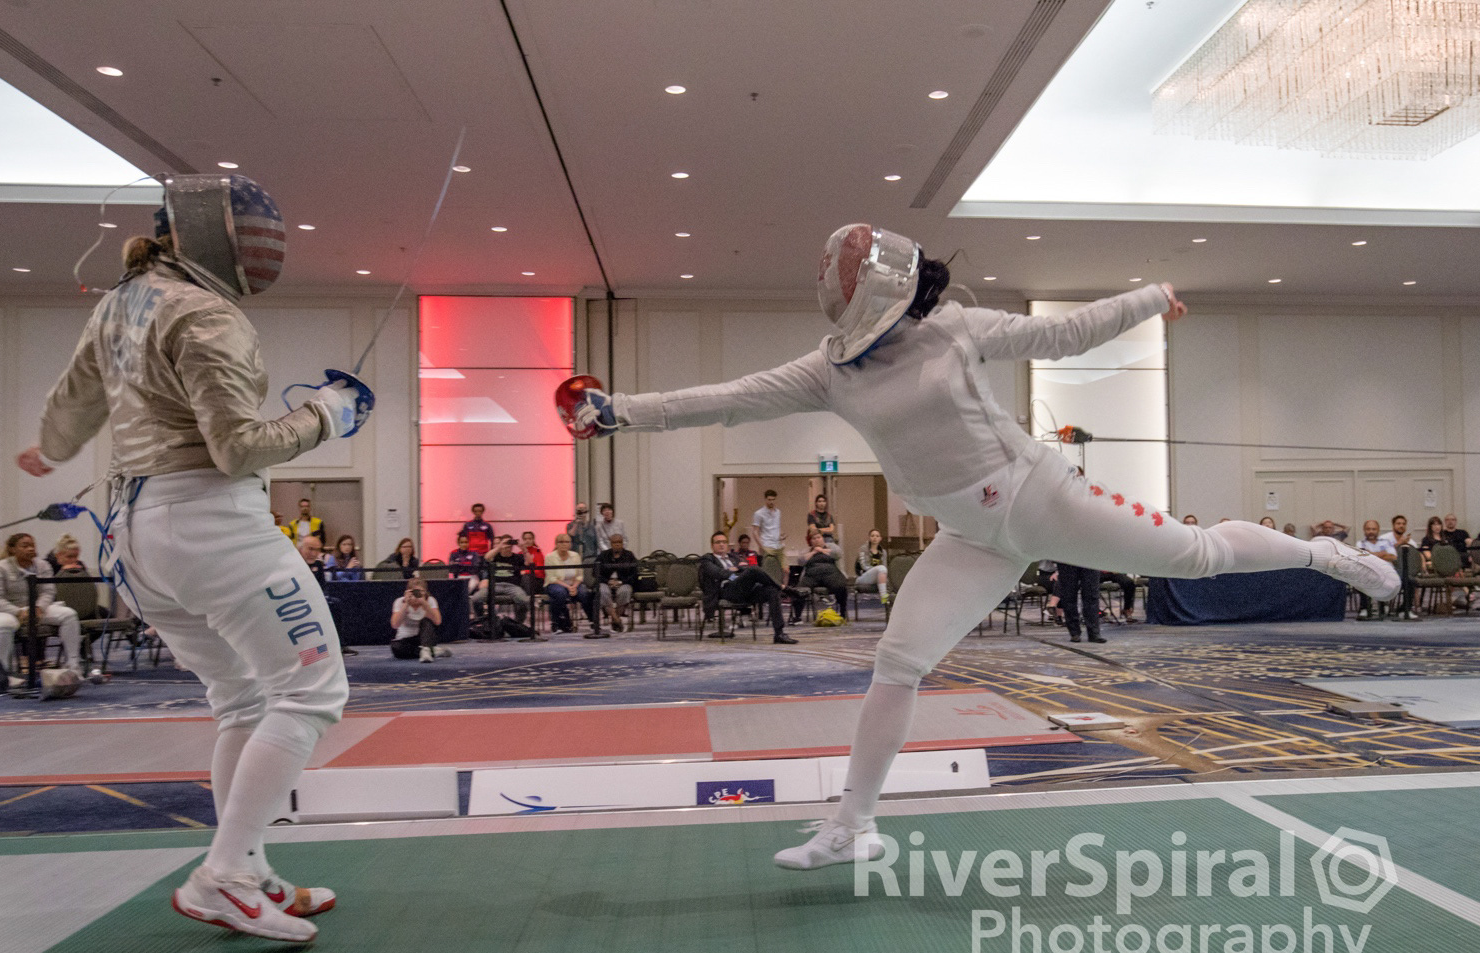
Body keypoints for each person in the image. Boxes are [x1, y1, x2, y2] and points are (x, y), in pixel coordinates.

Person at [560, 221, 1397, 871]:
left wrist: (1151, 297)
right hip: (968, 533)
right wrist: (619, 409)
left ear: (876, 280)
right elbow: (730, 399)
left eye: (848, 271)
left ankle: (1329, 556)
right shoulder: (830, 367)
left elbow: (1065, 336)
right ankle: (852, 826)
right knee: (898, 660)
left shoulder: (953, 328)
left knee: (1195, 553)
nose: (835, 283)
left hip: (1040, 497)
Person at [18, 172, 370, 942]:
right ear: (218, 240)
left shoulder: (120, 301)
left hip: (137, 538)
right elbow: (239, 446)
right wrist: (327, 415)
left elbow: (68, 408)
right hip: (212, 525)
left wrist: (48, 453)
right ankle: (227, 877)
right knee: (311, 691)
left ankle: (247, 862)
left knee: (244, 697)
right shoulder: (207, 314)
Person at [0, 533, 84, 681]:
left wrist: (39, 607)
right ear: (12, 549)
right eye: (25, 546)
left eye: (32, 545)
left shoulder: (43, 565)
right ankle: (2, 674)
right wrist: (18, 612)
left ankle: (73, 667)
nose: (30, 549)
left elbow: (48, 591)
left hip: (36, 609)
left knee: (69, 614)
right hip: (6, 611)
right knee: (5, 623)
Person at [697, 532, 798, 644]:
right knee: (754, 570)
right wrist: (735, 575)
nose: (721, 544)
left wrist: (739, 571)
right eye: (718, 542)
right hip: (726, 592)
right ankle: (784, 588)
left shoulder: (734, 557)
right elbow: (718, 573)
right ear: (712, 546)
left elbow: (744, 567)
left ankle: (779, 633)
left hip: (744, 591)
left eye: (724, 542)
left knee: (772, 590)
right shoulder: (707, 559)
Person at [543, 532, 597, 633]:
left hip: (574, 584)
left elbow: (580, 575)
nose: (564, 544)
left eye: (567, 542)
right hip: (555, 584)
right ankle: (556, 623)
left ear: (570, 544)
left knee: (585, 593)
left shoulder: (575, 556)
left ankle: (593, 622)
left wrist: (574, 586)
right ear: (556, 544)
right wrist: (569, 587)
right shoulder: (549, 557)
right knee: (560, 593)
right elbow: (552, 578)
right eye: (561, 542)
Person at [792, 529, 849, 622]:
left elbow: (838, 554)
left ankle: (843, 613)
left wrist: (822, 550)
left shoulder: (831, 546)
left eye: (818, 537)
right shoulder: (807, 550)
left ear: (823, 539)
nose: (817, 540)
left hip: (830, 573)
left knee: (841, 586)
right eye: (814, 538)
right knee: (799, 590)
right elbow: (800, 561)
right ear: (811, 541)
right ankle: (797, 616)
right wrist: (813, 552)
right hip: (811, 575)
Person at [478, 535, 533, 626]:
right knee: (477, 598)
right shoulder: (495, 556)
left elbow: (530, 563)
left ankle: (517, 625)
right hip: (495, 585)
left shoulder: (517, 557)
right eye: (506, 544)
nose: (508, 547)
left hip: (513, 586)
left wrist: (524, 548)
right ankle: (483, 623)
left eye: (510, 544)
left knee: (524, 600)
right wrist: (500, 546)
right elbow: (487, 557)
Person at [389, 580, 448, 661]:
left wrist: (424, 603)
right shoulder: (399, 602)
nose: (416, 595)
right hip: (406, 639)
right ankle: (432, 651)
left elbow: (437, 621)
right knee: (396, 648)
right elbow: (395, 624)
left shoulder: (430, 600)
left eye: (419, 592)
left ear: (425, 592)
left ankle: (426, 649)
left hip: (424, 638)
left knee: (426, 621)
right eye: (414, 592)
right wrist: (406, 604)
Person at [596, 532, 638, 632]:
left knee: (625, 591)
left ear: (623, 543)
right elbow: (596, 573)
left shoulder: (629, 555)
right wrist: (608, 581)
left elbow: (634, 574)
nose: (617, 544)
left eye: (619, 542)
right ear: (611, 544)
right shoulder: (603, 555)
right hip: (606, 582)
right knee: (602, 591)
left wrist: (621, 582)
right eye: (615, 542)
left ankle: (614, 619)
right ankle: (616, 619)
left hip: (623, 583)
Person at [1356, 520, 1397, 620]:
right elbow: (1362, 558)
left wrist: (1371, 554)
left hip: (1387, 573)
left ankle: (1384, 605)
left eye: (1373, 529)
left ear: (1378, 530)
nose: (1371, 531)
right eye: (1368, 529)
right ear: (1364, 530)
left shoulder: (1386, 542)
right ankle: (1365, 608)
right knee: (1360, 577)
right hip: (1368, 573)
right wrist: (1382, 554)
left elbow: (1393, 557)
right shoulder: (1360, 543)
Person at [1055, 562, 1104, 644]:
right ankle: (1074, 632)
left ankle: (1094, 632)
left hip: (1091, 557)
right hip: (1067, 558)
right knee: (1068, 596)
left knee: (1092, 596)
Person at [856, 529, 890, 604]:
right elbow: (863, 566)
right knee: (881, 568)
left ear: (880, 538)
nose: (875, 538)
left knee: (883, 569)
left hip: (878, 576)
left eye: (877, 536)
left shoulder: (883, 552)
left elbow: (885, 567)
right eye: (872, 536)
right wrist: (876, 569)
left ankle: (884, 599)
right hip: (864, 577)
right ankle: (884, 596)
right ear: (869, 538)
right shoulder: (863, 549)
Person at [750, 490, 784, 559]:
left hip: (777, 545)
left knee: (780, 568)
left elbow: (777, 527)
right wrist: (762, 547)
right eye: (769, 500)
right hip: (766, 544)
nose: (771, 502)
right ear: (765, 499)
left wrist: (782, 539)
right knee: (767, 567)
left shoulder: (778, 512)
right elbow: (755, 532)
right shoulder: (759, 513)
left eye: (773, 499)